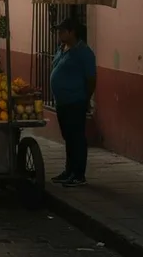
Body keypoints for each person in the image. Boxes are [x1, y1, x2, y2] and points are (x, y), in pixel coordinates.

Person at [50, 18, 95, 187]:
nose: (59, 33)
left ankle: (78, 174)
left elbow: (91, 79)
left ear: (72, 32)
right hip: (62, 102)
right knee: (68, 137)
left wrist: (85, 98)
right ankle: (68, 171)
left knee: (77, 138)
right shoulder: (62, 48)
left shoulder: (84, 52)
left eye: (62, 31)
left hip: (75, 101)